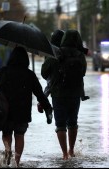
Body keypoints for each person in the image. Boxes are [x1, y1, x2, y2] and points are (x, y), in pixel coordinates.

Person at [0, 46, 53, 167]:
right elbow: (39, 94)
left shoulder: (4, 70)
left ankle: (8, 150)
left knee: (6, 133)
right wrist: (48, 108)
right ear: (26, 59)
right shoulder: (29, 74)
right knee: (19, 135)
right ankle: (17, 162)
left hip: (6, 111)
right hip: (22, 112)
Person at [41, 30, 87, 160]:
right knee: (73, 122)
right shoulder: (80, 55)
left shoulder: (55, 54)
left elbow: (44, 73)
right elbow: (83, 72)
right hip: (75, 94)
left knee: (60, 124)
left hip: (58, 94)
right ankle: (72, 150)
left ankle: (64, 154)